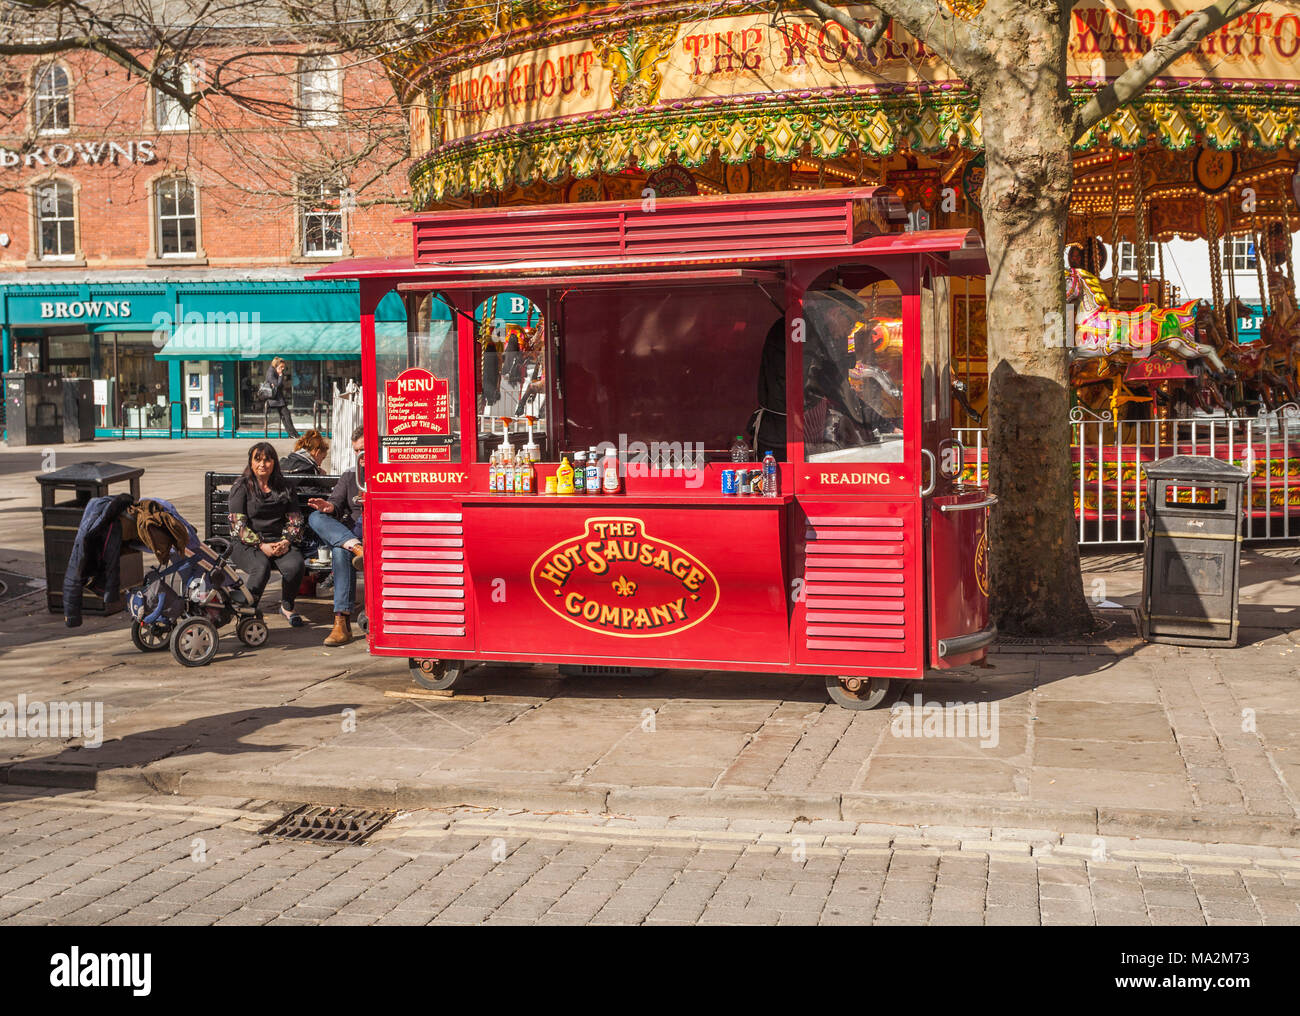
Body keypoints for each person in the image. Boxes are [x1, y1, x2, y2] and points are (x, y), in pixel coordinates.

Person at [226, 442, 306, 626]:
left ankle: (287, 606)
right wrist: (261, 545)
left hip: (279, 542)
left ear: (274, 463)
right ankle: (247, 610)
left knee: (295, 565)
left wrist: (286, 541)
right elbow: (238, 525)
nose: (263, 464)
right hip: (247, 544)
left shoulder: (285, 486)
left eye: (267, 460)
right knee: (261, 567)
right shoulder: (242, 486)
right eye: (258, 459)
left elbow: (295, 519)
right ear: (251, 463)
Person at [307, 425, 365, 646]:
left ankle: (341, 622)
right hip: (353, 535)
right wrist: (328, 507)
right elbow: (335, 503)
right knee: (315, 519)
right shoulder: (351, 474)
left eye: (364, 450)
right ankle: (357, 548)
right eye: (356, 451)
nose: (360, 456)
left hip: (376, 529)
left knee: (341, 551)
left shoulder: (388, 471)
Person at [264, 356, 299, 438]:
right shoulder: (271, 372)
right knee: (286, 415)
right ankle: (293, 434)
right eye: (281, 367)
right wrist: (280, 375)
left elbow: (278, 385)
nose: (283, 368)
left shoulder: (273, 371)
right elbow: (278, 385)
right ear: (276, 365)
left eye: (283, 367)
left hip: (278, 398)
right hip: (275, 399)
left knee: (284, 416)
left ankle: (292, 434)